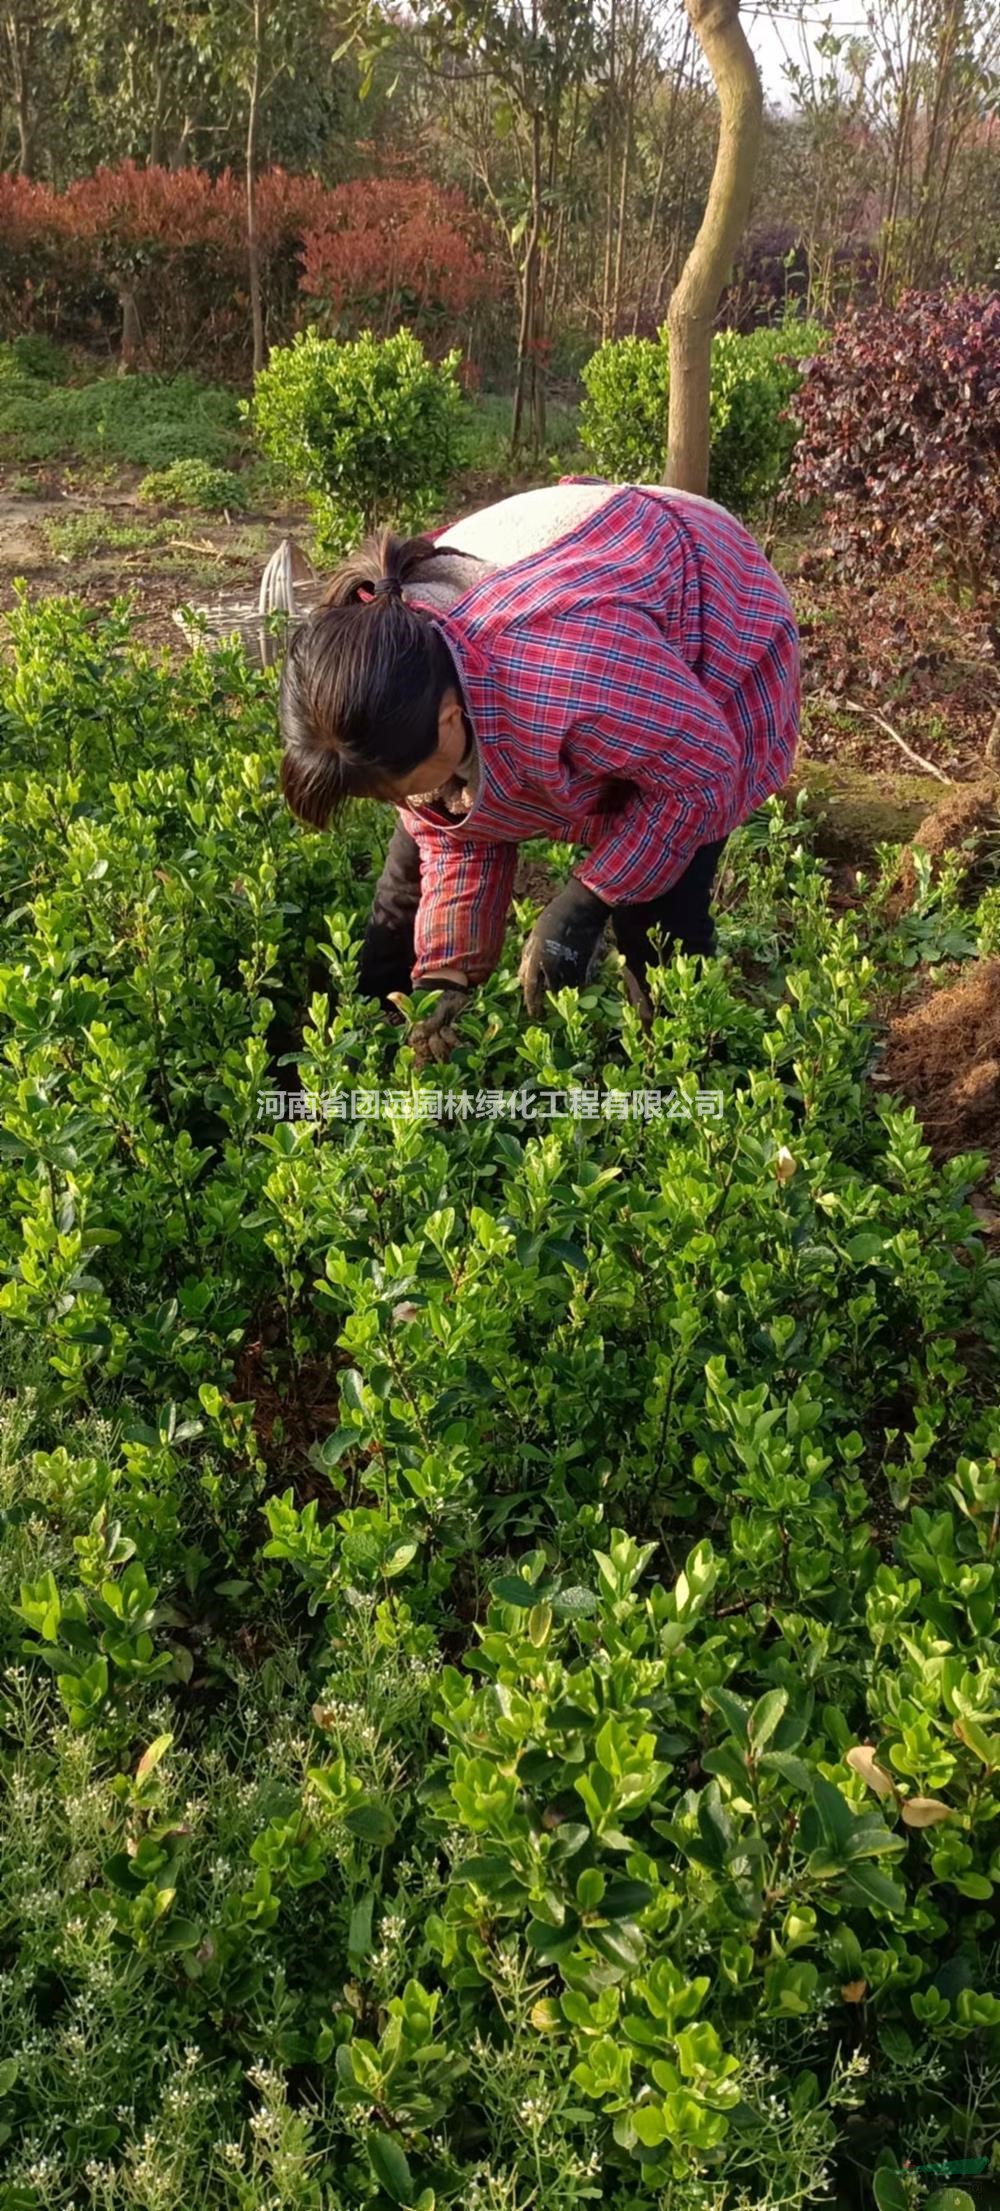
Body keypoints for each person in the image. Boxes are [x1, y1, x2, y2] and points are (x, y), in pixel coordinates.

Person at [278, 479, 800, 1060]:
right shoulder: (391, 666)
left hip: (709, 594)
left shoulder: (569, 674)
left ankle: (688, 1071)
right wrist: (446, 976)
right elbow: (460, 831)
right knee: (420, 853)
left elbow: (701, 774)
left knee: (657, 917)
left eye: (407, 787)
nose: (417, 804)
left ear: (451, 721)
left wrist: (588, 899)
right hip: (573, 604)